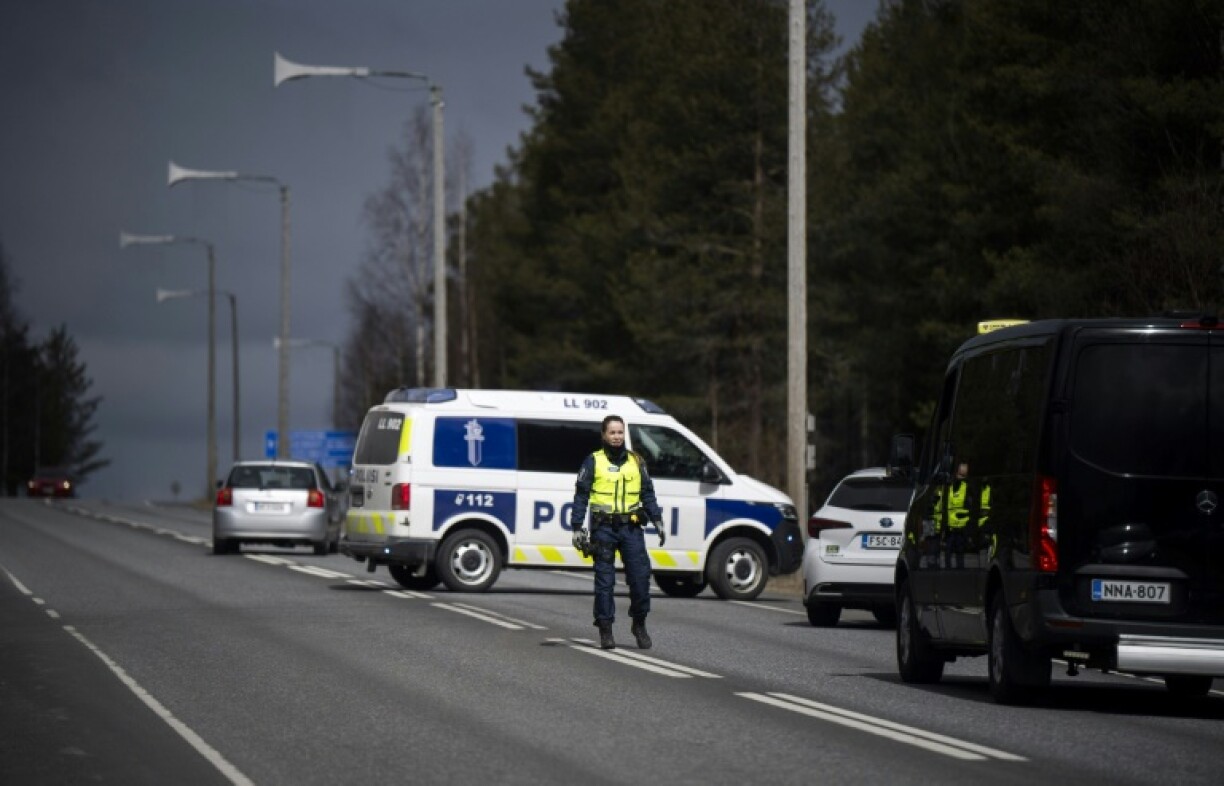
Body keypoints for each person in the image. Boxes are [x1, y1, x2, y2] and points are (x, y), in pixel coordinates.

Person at [570, 415, 665, 650]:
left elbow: (647, 493)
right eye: (612, 432)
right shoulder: (593, 461)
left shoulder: (637, 461)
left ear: (625, 434)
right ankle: (605, 629)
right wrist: (576, 527)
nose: (616, 437)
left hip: (632, 528)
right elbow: (581, 495)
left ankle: (639, 623)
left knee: (640, 580)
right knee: (605, 582)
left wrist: (657, 519)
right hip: (603, 529)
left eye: (620, 432)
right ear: (604, 435)